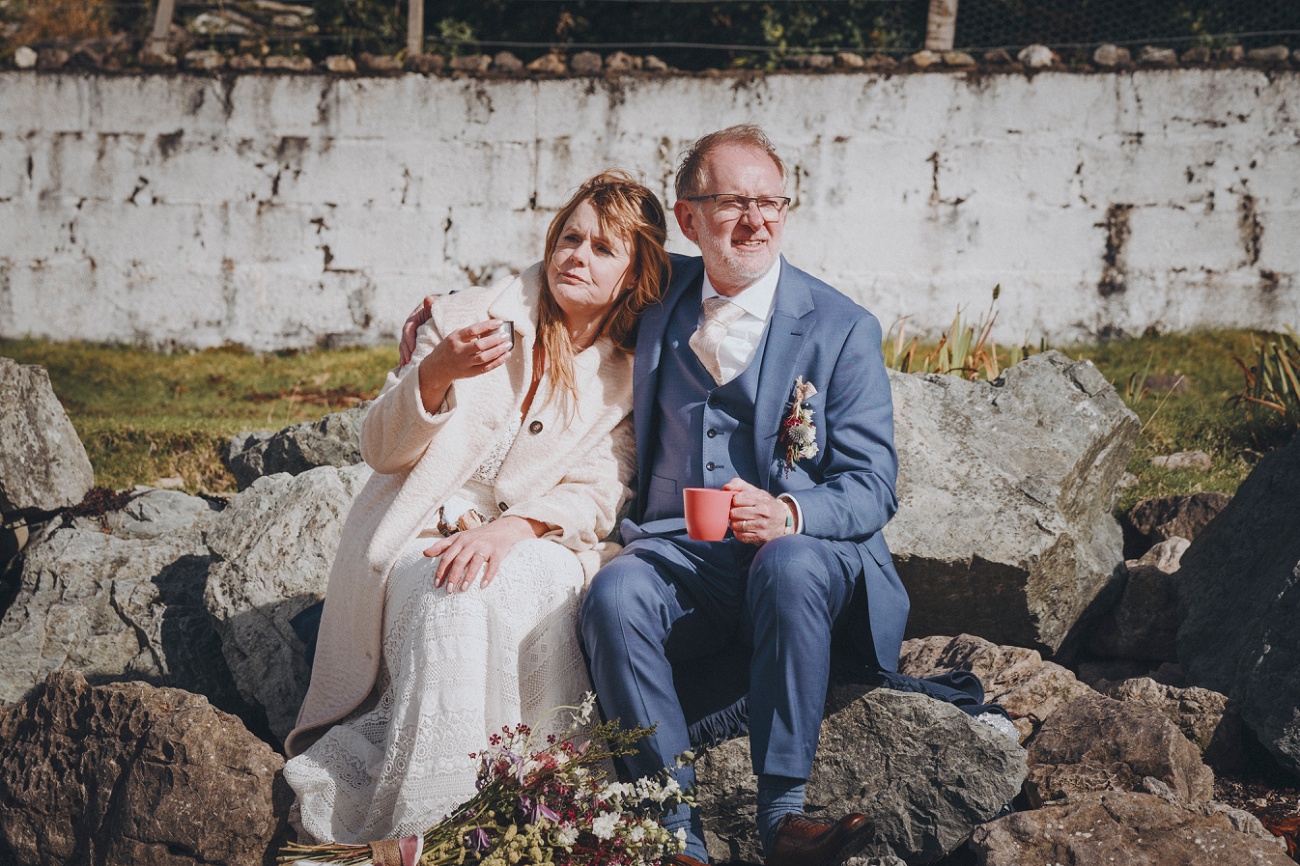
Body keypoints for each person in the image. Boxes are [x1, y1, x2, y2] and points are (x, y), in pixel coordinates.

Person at [282, 170, 670, 845]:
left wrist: (512, 531)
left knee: (500, 577)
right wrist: (432, 378)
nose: (576, 256)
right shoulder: (464, 318)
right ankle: (437, 825)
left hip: (542, 543)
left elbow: (601, 489)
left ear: (635, 278)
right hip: (417, 534)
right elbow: (380, 449)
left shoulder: (628, 374)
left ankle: (503, 803)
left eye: (603, 249)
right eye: (568, 238)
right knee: (450, 596)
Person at [578, 125, 909, 866]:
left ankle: (782, 815)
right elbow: (567, 267)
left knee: (790, 563)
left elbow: (872, 485)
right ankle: (673, 835)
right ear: (688, 217)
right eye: (732, 203)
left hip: (798, 561)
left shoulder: (842, 327)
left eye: (770, 203)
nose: (755, 221)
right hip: (678, 554)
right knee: (614, 593)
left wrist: (790, 512)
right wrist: (443, 320)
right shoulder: (656, 295)